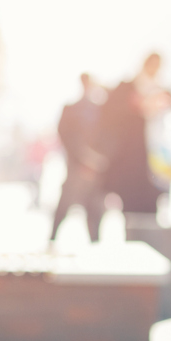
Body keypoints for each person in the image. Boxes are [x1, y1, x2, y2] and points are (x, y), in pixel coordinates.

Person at [95, 53, 170, 217]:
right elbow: (109, 113)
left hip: (154, 156)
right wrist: (135, 105)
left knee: (150, 201)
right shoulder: (127, 88)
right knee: (130, 199)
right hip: (129, 155)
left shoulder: (163, 90)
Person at [49, 73, 107, 243]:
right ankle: (51, 241)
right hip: (75, 168)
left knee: (95, 213)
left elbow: (109, 136)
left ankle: (95, 247)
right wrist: (83, 158)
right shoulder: (70, 109)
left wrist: (98, 160)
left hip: (96, 171)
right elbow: (65, 135)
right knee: (63, 209)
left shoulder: (102, 110)